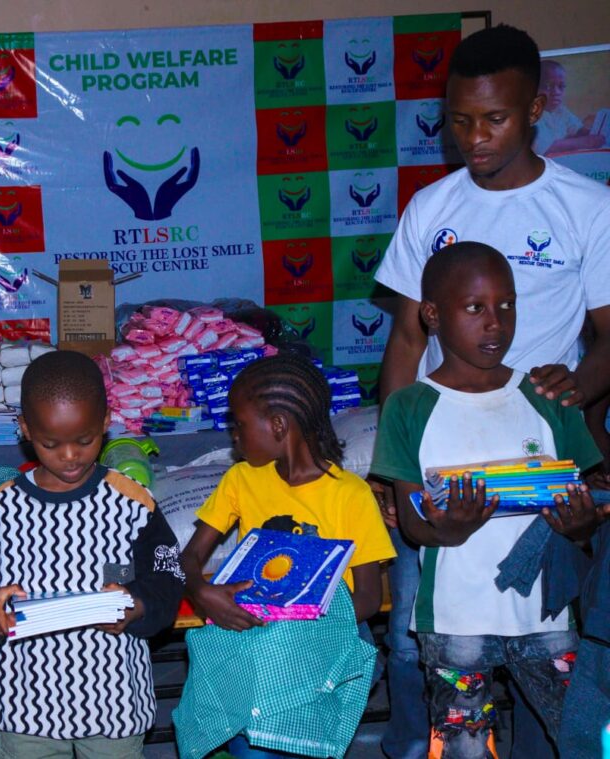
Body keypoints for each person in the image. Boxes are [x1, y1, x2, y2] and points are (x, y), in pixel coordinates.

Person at [373, 24, 610, 758]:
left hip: (539, 458)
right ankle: (417, 748)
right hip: (444, 455)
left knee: (548, 639)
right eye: (460, 120)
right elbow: (405, 343)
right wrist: (392, 468)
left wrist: (575, 388)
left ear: (535, 109)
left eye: (495, 119)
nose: (474, 138)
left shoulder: (586, 208)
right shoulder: (431, 208)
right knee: (416, 637)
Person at [371, 242, 603, 758]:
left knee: (586, 736)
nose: (495, 323)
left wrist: (581, 526)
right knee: (464, 747)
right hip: (456, 618)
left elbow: (585, 504)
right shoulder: (409, 408)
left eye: (506, 305)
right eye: (475, 307)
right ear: (432, 315)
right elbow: (413, 524)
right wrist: (449, 528)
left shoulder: (547, 398)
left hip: (545, 615)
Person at [0, 350, 184, 759]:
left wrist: (138, 604)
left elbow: (168, 575)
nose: (70, 455)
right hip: (28, 706)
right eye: (51, 444)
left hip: (114, 702)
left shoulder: (132, 502)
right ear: (25, 430)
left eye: (85, 440)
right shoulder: (0, 509)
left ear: (105, 422)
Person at [180, 352, 395, 757]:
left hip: (325, 641)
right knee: (252, 744)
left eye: (240, 425)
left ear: (278, 425)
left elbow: (368, 598)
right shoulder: (241, 480)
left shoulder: (350, 495)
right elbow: (188, 559)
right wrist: (201, 591)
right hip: (254, 640)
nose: (234, 436)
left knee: (302, 743)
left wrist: (293, 627)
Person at [533, 59, 606, 155]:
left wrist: (596, 130)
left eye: (561, 86)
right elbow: (547, 147)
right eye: (548, 86)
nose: (556, 92)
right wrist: (586, 142)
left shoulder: (561, 110)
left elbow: (578, 131)